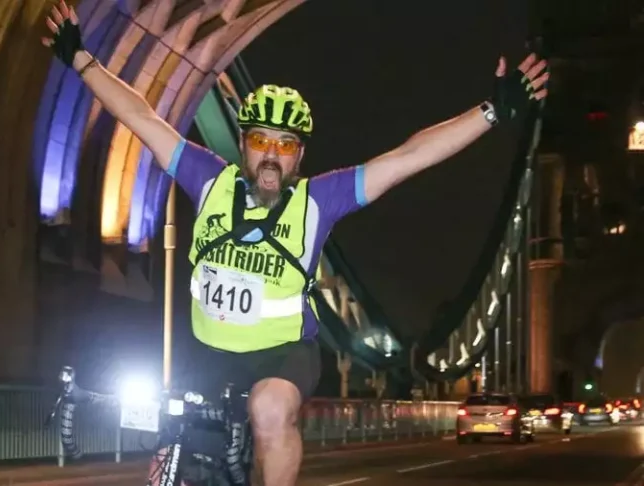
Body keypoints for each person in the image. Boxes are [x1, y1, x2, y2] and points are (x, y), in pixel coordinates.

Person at [41, 1, 549, 484]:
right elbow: (142, 117)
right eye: (260, 140)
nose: (271, 155)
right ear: (243, 144)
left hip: (281, 353)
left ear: (299, 157)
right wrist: (81, 59)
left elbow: (406, 157)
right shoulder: (209, 178)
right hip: (207, 350)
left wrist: (491, 112)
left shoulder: (318, 201)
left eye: (285, 145)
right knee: (166, 452)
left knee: (268, 410)